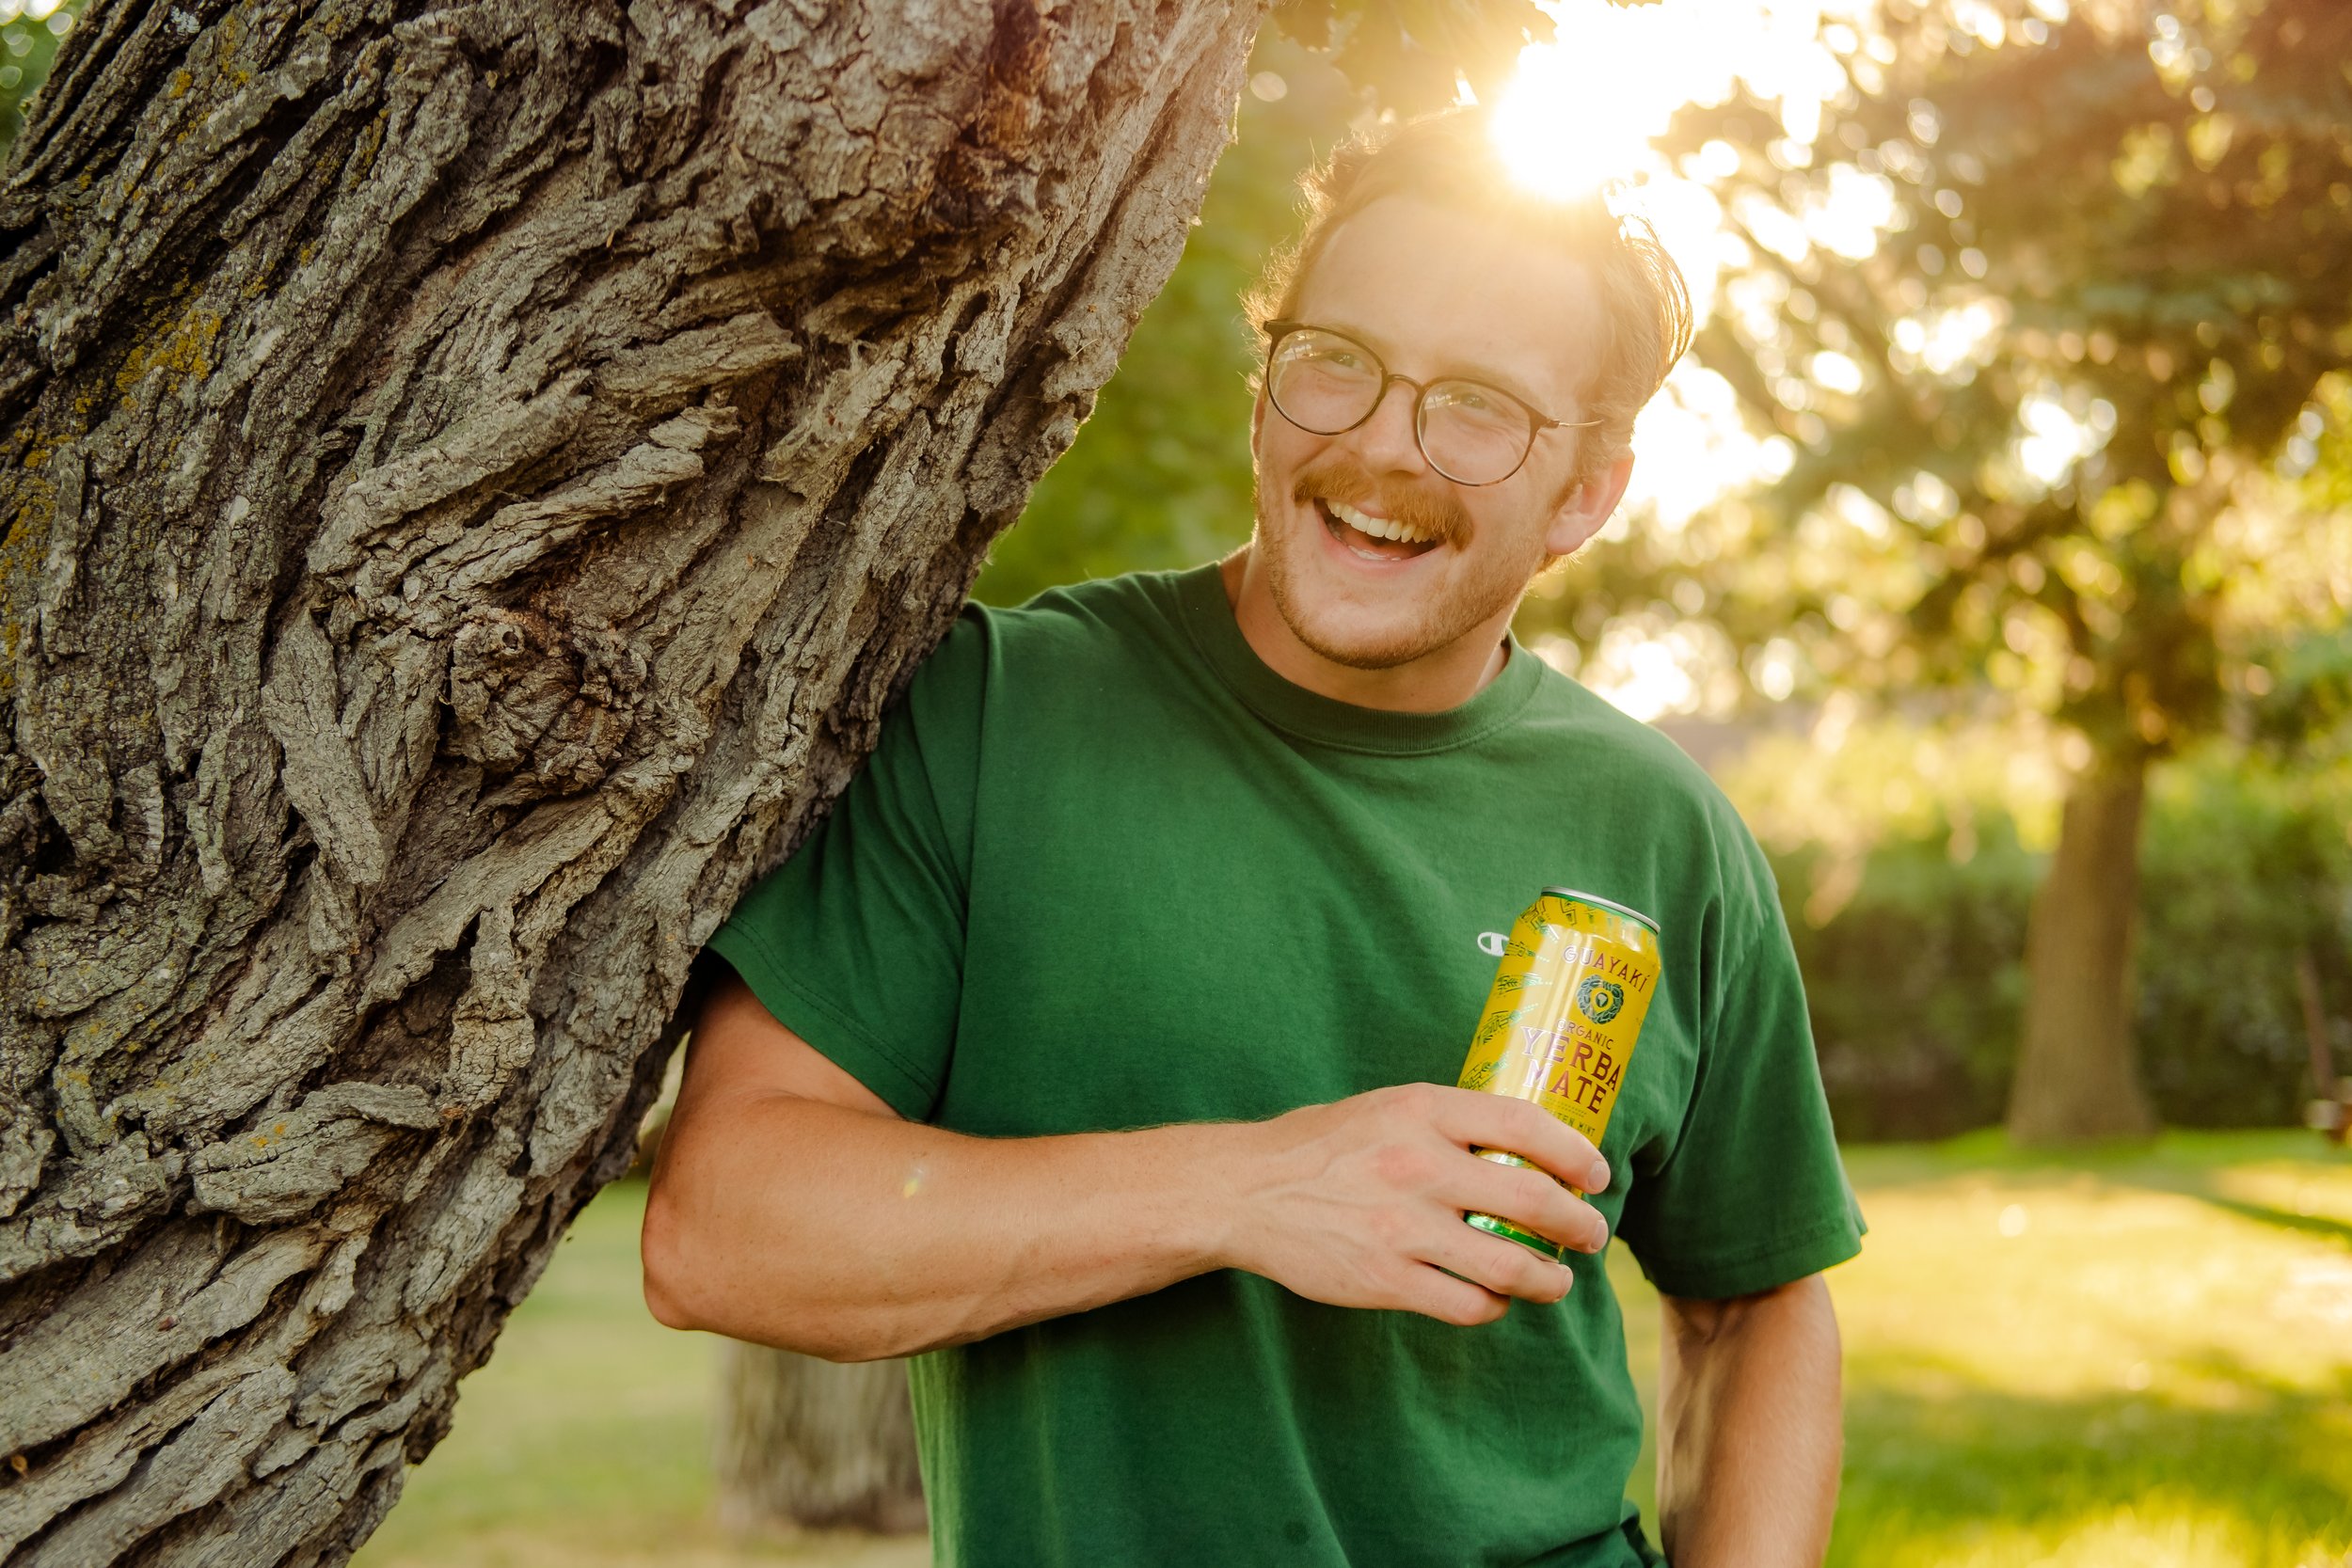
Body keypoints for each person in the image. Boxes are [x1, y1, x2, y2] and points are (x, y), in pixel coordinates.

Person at [644, 109, 1865, 1568]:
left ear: (1587, 492)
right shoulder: (994, 716)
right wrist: (1249, 1189)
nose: (1379, 446)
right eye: (1336, 362)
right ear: (1266, 380)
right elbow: (724, 1227)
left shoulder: (1660, 824)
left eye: (1478, 405)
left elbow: (1758, 1305)